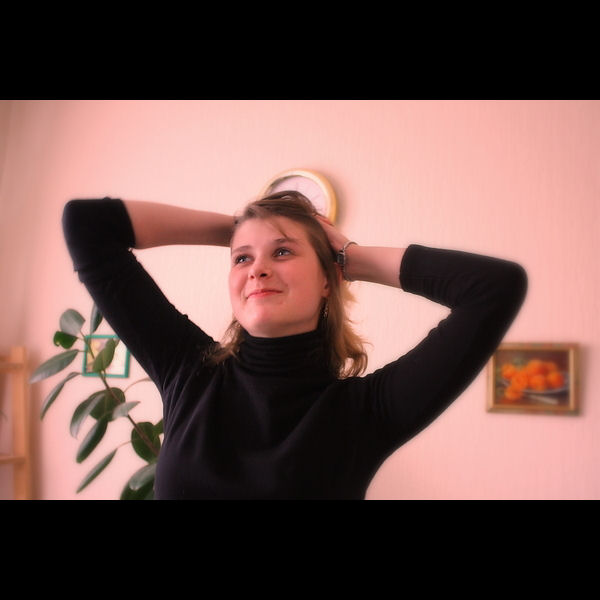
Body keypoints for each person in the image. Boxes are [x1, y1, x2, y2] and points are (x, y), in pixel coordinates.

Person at [62, 191, 527, 499]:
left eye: (282, 251)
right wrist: (242, 227)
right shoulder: (189, 371)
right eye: (242, 258)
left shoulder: (365, 413)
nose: (257, 269)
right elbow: (87, 225)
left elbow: (494, 288)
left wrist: (348, 256)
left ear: (328, 280)